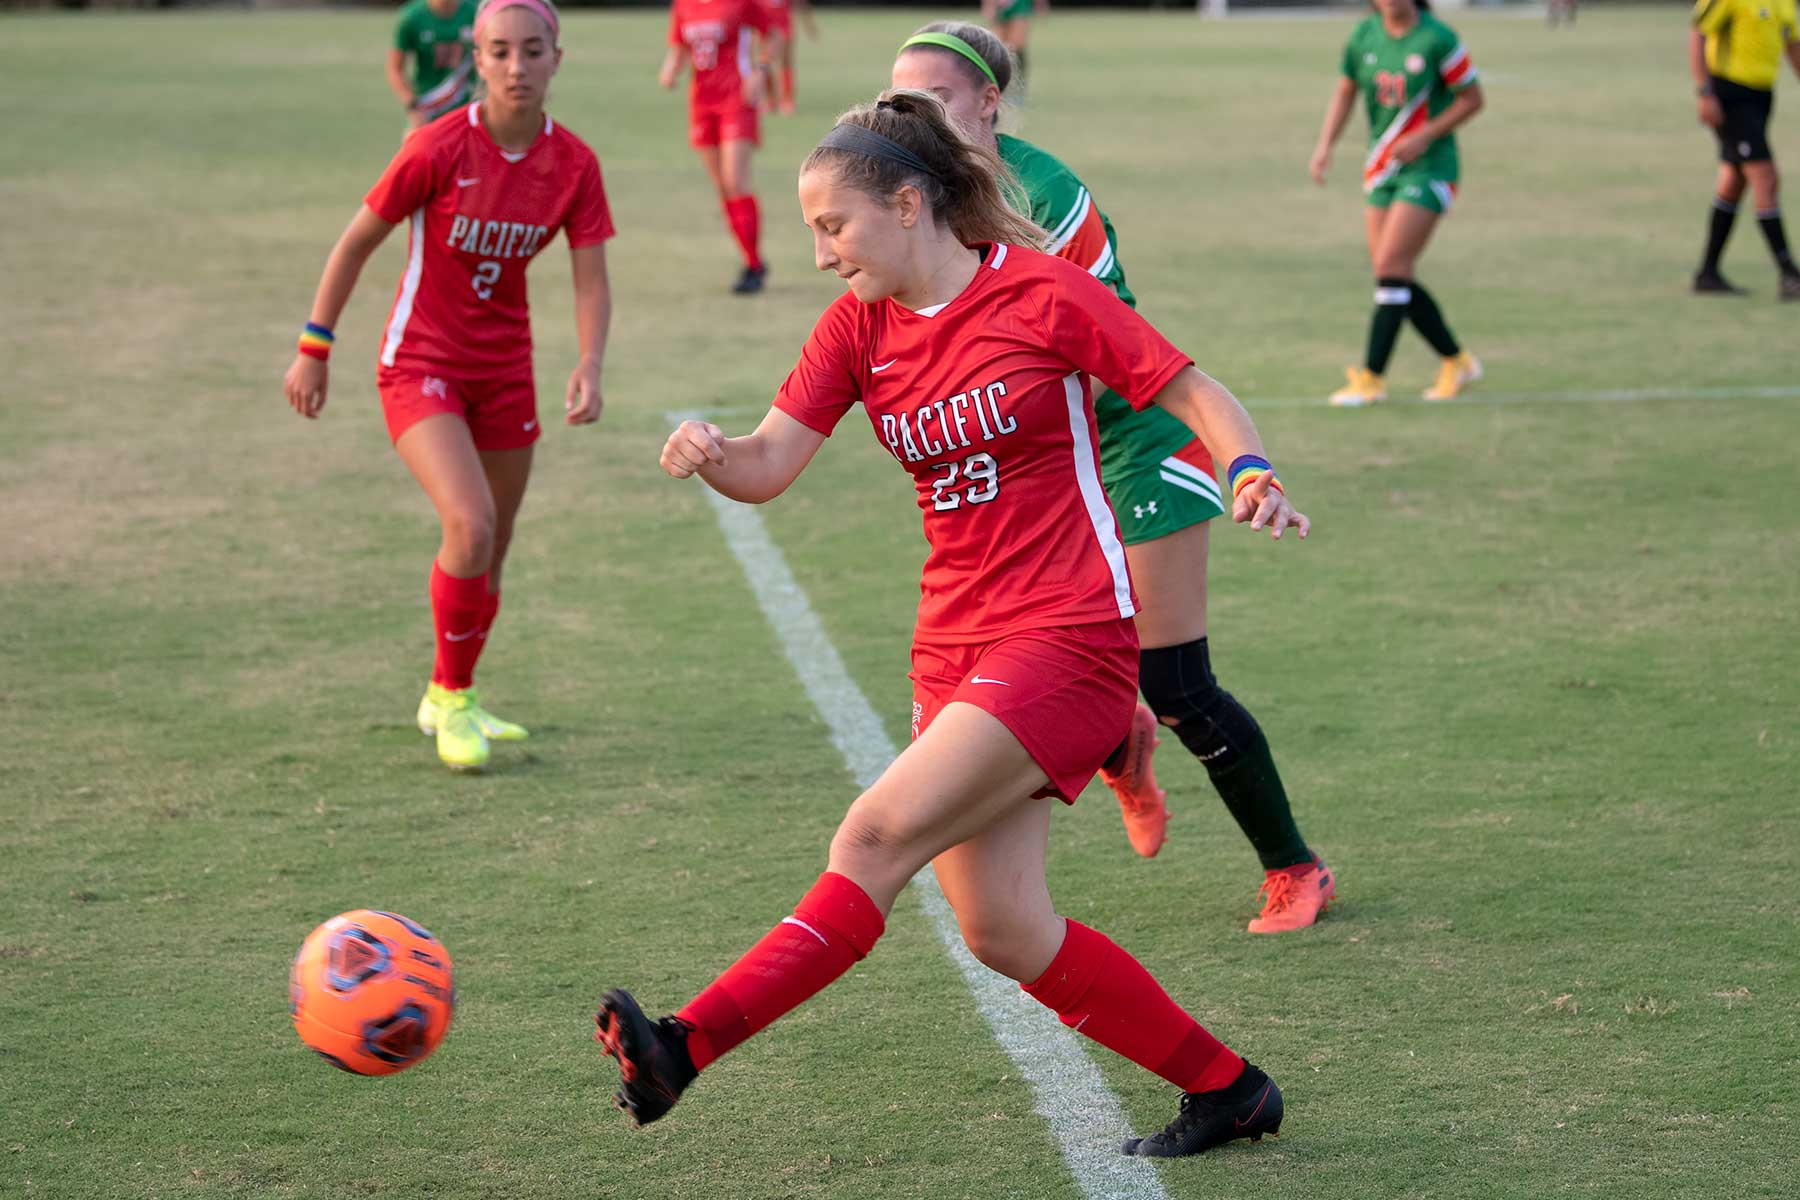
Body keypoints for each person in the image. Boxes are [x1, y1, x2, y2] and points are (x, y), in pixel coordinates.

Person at [596, 90, 1308, 1158]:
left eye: (833, 225)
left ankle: (684, 1046)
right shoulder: (856, 328)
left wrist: (1248, 469)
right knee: (1004, 928)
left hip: (1068, 636)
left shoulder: (1042, 293)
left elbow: (1194, 391)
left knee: (871, 837)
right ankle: (1231, 1090)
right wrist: (712, 452)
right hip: (954, 648)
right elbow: (770, 462)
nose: (822, 254)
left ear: (908, 202)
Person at [892, 21, 1334, 934]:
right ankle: (1115, 742)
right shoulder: (919, 195)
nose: (915, 116)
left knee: (1176, 682)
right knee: (1044, 653)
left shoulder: (1042, 193)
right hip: (1045, 451)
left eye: (935, 98)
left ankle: (1295, 868)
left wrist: (1246, 465)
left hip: (1133, 438)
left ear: (989, 103)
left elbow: (1100, 354)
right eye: (901, 101)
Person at [282, 0, 613, 772]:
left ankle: (447, 688)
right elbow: (355, 242)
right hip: (421, 362)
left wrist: (590, 362)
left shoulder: (574, 164)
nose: (516, 67)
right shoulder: (436, 146)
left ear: (557, 58)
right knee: (469, 524)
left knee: (494, 546)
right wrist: (314, 347)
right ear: (477, 59)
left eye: (533, 51)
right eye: (499, 51)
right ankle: (454, 698)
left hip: (506, 370)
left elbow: (591, 277)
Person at [1309, 0, 1485, 407]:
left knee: (1391, 269)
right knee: (1392, 276)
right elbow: (1346, 91)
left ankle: (1372, 379)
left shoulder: (1438, 38)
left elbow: (1473, 98)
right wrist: (1325, 146)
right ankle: (1457, 361)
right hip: (1382, 168)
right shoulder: (1364, 35)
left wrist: (1426, 134)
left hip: (1430, 169)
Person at [662, 0, 785, 293]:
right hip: (701, 102)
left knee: (735, 182)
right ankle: (751, 260)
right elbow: (680, 47)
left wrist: (760, 70)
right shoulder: (683, 5)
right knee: (723, 188)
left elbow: (774, 34)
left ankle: (753, 264)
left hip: (736, 98)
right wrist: (670, 69)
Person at [1689, 0, 1800, 299]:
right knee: (1766, 177)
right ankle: (1789, 274)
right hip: (1729, 94)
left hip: (1761, 97)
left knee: (1734, 181)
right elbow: (1698, 33)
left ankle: (1708, 272)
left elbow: (1792, 44)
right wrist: (1704, 93)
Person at [387, 0, 480, 128]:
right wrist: (412, 106)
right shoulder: (412, 17)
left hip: (467, 108)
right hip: (428, 107)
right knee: (415, 140)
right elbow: (395, 69)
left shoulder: (475, 12)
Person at [758, 0, 816, 116]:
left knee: (786, 62)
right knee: (765, 62)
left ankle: (787, 101)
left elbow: (801, 4)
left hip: (783, 27)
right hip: (765, 28)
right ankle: (770, 101)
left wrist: (809, 25)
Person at [982, 0, 1045, 83]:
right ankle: (1000, 80)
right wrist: (988, 5)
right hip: (999, 8)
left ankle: (1019, 80)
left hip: (1019, 6)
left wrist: (1040, 3)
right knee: (999, 47)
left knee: (1017, 46)